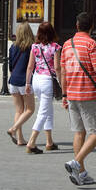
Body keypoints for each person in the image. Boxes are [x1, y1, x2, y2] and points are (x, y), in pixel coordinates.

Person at [60, 12, 96, 187]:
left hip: (71, 93)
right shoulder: (91, 44)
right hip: (87, 94)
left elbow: (63, 72)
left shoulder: (67, 44)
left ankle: (81, 173)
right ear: (91, 26)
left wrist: (64, 95)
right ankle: (76, 163)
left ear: (77, 25)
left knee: (79, 132)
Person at [24, 22, 62, 153]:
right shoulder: (55, 47)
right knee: (43, 112)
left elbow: (30, 66)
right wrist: (61, 82)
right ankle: (31, 142)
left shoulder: (34, 47)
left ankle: (49, 141)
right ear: (52, 33)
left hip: (36, 79)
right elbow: (57, 67)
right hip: (47, 81)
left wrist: (27, 83)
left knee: (48, 109)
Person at [6, 23, 35, 146]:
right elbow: (32, 65)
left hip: (13, 81)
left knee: (19, 110)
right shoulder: (31, 47)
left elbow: (11, 66)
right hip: (25, 81)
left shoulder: (13, 47)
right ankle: (13, 129)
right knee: (30, 109)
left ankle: (20, 138)